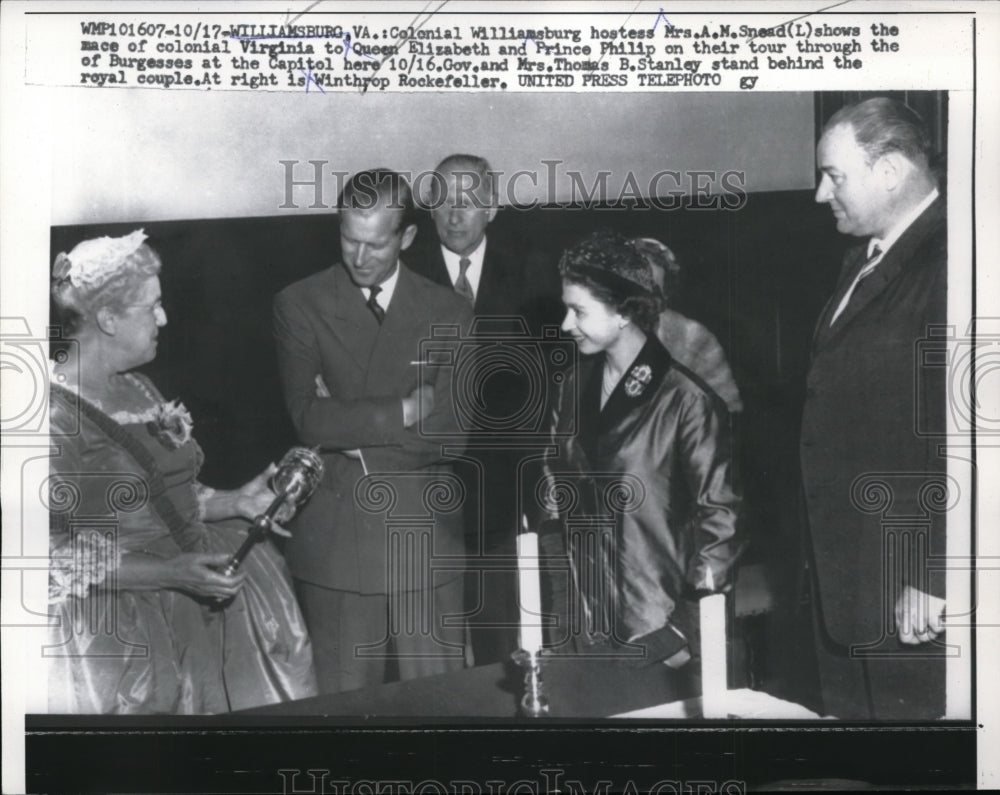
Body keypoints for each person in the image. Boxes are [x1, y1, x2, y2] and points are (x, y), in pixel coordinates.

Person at [47, 230, 316, 714]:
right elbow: (52, 557)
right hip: (125, 619)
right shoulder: (51, 418)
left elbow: (170, 494)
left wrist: (235, 501)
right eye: (151, 307)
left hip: (200, 588)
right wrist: (171, 573)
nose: (163, 318)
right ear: (107, 319)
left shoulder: (139, 387)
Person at [273, 169, 473, 694]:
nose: (359, 258)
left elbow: (455, 433)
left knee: (444, 712)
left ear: (406, 237)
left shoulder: (450, 310)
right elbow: (306, 419)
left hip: (426, 542)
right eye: (348, 240)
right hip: (338, 550)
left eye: (376, 245)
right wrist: (405, 409)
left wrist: (349, 431)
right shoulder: (299, 303)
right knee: (344, 719)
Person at [533, 229, 742, 666]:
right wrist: (561, 601)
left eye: (578, 311)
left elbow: (720, 521)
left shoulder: (687, 399)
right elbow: (553, 488)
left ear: (624, 312)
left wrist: (685, 626)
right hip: (582, 622)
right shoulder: (572, 384)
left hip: (658, 631)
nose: (565, 325)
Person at [801, 97, 947, 718]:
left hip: (906, 584)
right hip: (849, 571)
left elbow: (961, 434)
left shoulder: (954, 260)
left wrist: (934, 573)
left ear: (889, 171)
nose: (818, 194)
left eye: (834, 175)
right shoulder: (861, 259)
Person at [408, 154, 563, 666]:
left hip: (506, 487)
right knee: (428, 643)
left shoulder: (535, 274)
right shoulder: (403, 275)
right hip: (425, 484)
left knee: (507, 635)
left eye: (470, 202)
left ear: (492, 208)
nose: (456, 216)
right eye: (444, 202)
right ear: (429, 209)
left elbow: (551, 383)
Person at [632, 237, 743, 414]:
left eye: (653, 290)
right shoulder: (592, 333)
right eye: (632, 287)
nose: (640, 300)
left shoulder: (693, 337)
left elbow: (728, 409)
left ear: (665, 295)